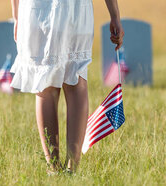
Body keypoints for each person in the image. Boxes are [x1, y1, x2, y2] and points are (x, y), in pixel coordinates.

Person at [9, 0, 124, 173]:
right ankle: (72, 168)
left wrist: (16, 15)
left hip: (36, 9)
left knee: (45, 87)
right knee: (76, 80)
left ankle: (54, 169)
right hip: (74, 9)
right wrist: (114, 15)